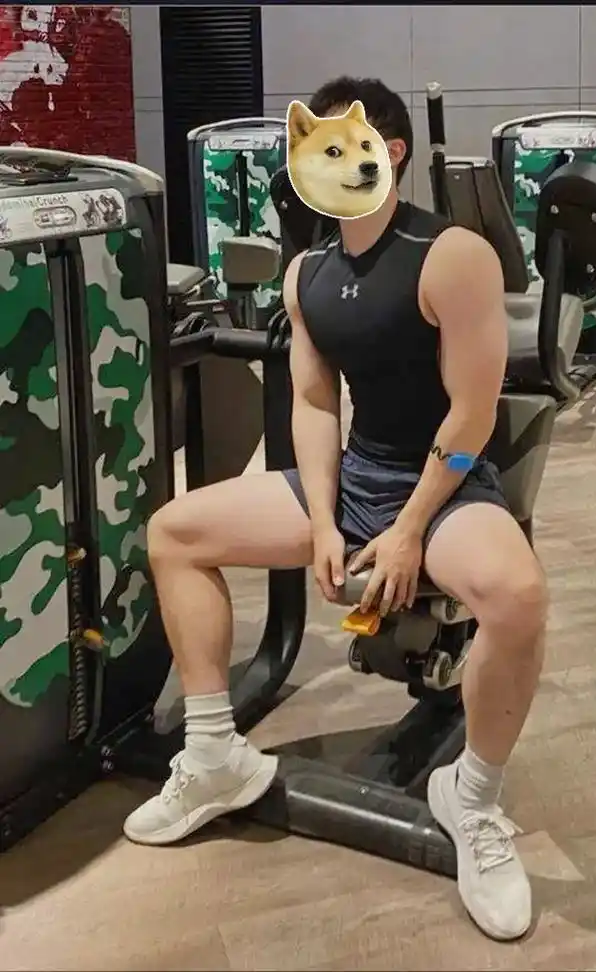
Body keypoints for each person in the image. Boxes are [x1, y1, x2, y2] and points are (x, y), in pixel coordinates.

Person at [123, 76, 548, 942]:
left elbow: (471, 415)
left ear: (386, 153)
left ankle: (470, 799)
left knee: (517, 595)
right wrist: (323, 520)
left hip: (442, 487)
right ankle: (214, 755)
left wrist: (407, 529)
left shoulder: (450, 254)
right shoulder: (305, 273)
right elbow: (315, 404)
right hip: (357, 478)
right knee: (174, 533)